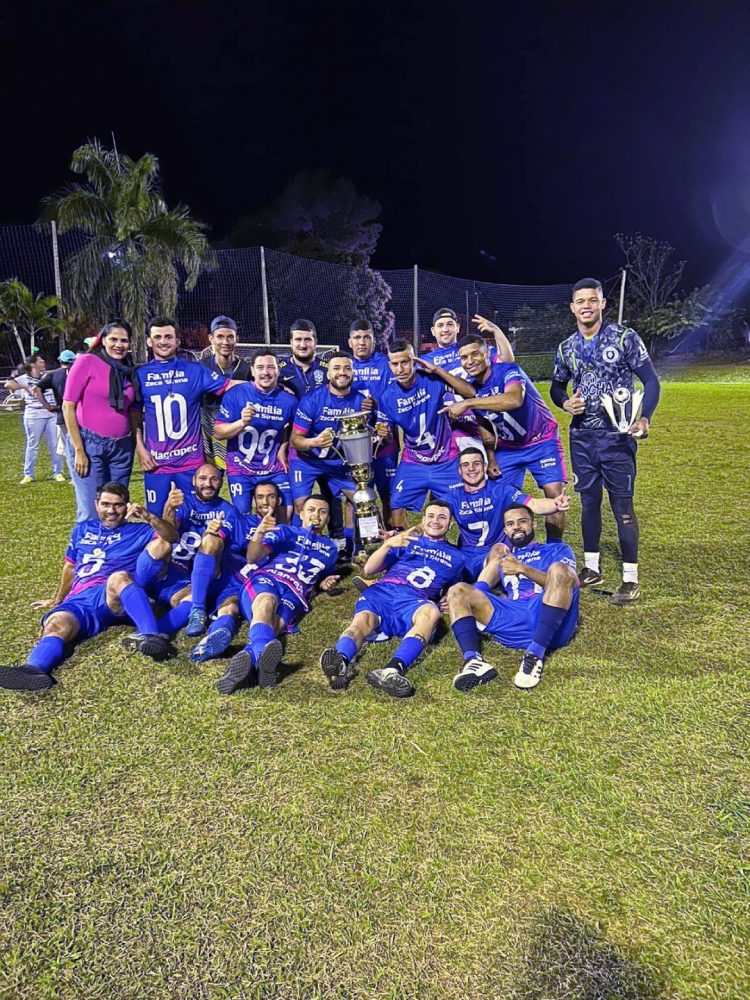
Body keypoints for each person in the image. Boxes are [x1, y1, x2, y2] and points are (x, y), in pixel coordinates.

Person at [0, 482, 178, 692]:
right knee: (57, 625)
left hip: (111, 596)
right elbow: (70, 567)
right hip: (80, 600)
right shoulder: (82, 529)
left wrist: (149, 516)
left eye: (118, 505)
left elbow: (171, 538)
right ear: (96, 505)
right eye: (106, 504)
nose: (111, 510)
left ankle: (152, 637)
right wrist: (57, 599)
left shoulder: (138, 530)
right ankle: (34, 669)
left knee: (119, 577)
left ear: (127, 506)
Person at [550, 278, 661, 603]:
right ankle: (592, 568)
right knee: (588, 503)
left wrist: (644, 418)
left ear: (602, 304)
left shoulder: (624, 338)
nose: (586, 306)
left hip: (616, 438)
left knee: (622, 507)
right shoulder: (566, 347)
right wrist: (565, 403)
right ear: (572, 308)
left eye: (592, 300)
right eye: (580, 301)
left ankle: (630, 579)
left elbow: (651, 381)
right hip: (582, 437)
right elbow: (557, 386)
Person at [320, 501, 467, 697]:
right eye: (431, 516)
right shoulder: (406, 540)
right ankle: (340, 662)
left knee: (431, 612)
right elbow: (369, 569)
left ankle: (391, 671)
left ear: (450, 524)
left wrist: (446, 598)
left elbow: (454, 587)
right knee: (362, 621)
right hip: (383, 592)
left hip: (414, 601)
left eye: (442, 517)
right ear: (423, 519)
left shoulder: (458, 558)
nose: (435, 521)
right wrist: (388, 544)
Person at [443, 334, 569, 540]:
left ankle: (554, 547)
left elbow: (514, 399)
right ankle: (509, 546)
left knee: (555, 497)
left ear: (487, 353)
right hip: (509, 447)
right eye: (464, 357)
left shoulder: (509, 370)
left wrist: (468, 403)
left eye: (475, 354)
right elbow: (484, 424)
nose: (470, 361)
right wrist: (491, 457)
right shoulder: (471, 388)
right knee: (497, 496)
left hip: (542, 440)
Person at [446, 503, 579, 692]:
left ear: (533, 524)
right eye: (510, 524)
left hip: (546, 614)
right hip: (512, 616)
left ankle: (534, 655)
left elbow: (568, 582)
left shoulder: (557, 550)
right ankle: (473, 661)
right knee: (457, 590)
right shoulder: (503, 559)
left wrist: (523, 569)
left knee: (560, 570)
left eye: (522, 521)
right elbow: (481, 588)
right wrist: (464, 605)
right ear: (505, 531)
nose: (516, 527)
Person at [215, 495, 340, 694]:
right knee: (266, 603)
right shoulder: (285, 531)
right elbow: (253, 557)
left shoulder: (331, 549)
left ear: (328, 518)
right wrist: (259, 534)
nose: (316, 515)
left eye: (322, 511)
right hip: (268, 580)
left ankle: (251, 659)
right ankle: (262, 661)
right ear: (301, 514)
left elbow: (319, 579)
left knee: (277, 625)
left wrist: (324, 584)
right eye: (311, 510)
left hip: (296, 593)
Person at [134, 317, 233, 515]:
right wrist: (141, 450)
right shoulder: (140, 374)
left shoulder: (194, 370)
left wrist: (269, 386)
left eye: (168, 337)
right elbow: (133, 415)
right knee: (159, 519)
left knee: (194, 518)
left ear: (177, 341)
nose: (163, 341)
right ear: (149, 341)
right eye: (158, 337)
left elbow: (229, 386)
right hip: (157, 464)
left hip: (191, 463)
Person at [375, 340, 476, 526]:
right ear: (389, 365)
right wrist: (384, 433)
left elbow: (470, 392)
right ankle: (405, 544)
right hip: (414, 461)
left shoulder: (433, 380)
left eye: (405, 362)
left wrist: (437, 370)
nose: (400, 369)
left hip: (445, 458)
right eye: (395, 364)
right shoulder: (387, 397)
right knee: (396, 504)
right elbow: (387, 438)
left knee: (462, 508)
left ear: (414, 360)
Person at [134, 463, 239, 638]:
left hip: (191, 581)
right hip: (166, 569)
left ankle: (151, 633)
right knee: (159, 545)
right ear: (193, 481)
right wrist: (169, 508)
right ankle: (134, 591)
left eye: (214, 479)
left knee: (193, 598)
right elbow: (169, 535)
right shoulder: (184, 503)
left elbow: (216, 546)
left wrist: (211, 533)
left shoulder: (229, 511)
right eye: (203, 478)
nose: (208, 484)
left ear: (221, 483)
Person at [187, 481, 283, 663]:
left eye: (271, 497)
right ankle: (198, 611)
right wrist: (211, 532)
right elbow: (218, 538)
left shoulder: (285, 532)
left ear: (278, 501)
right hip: (224, 576)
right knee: (210, 541)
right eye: (260, 497)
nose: (265, 502)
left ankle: (211, 640)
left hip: (248, 586)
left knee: (230, 609)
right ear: (253, 502)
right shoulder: (240, 520)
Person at [289, 353, 373, 558]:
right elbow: (295, 440)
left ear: (353, 373)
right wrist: (314, 442)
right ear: (328, 373)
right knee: (301, 505)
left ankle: (352, 548)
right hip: (307, 461)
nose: (342, 372)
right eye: (336, 368)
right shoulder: (312, 400)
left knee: (361, 500)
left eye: (347, 368)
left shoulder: (361, 402)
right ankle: (303, 548)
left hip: (339, 463)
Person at [447, 446, 569, 578]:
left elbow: (534, 504)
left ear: (484, 466)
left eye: (476, 464)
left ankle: (482, 587)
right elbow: (435, 517)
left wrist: (555, 503)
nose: (471, 469)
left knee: (498, 553)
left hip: (496, 555)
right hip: (465, 557)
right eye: (466, 465)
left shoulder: (502, 491)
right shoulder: (452, 497)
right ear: (459, 470)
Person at [63, 320, 141, 522]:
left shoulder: (129, 370)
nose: (118, 345)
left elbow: (133, 412)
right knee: (92, 511)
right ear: (103, 340)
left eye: (124, 340)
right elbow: (68, 406)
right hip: (90, 444)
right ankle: (87, 544)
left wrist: (138, 445)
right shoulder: (87, 362)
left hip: (122, 448)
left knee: (117, 509)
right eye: (113, 339)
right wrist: (79, 450)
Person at [214, 349, 297, 521]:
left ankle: (279, 538)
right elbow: (218, 432)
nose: (265, 372)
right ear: (252, 370)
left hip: (273, 468)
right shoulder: (236, 394)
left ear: (278, 370)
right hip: (240, 468)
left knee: (287, 511)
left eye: (270, 367)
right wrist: (241, 423)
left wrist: (283, 446)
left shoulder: (289, 400)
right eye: (260, 367)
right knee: (242, 515)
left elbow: (295, 428)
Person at [348, 318, 398, 525]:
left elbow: (397, 398)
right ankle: (357, 539)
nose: (362, 342)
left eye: (367, 337)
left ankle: (392, 536)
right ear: (350, 342)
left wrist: (377, 404)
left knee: (389, 495)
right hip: (354, 442)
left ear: (374, 341)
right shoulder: (344, 366)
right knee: (356, 495)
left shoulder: (386, 364)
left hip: (385, 440)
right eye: (357, 338)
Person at [198, 315, 252, 467]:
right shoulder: (201, 367)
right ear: (211, 339)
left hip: (239, 433)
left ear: (237, 339)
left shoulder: (247, 369)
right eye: (220, 337)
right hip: (208, 435)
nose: (225, 342)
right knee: (211, 478)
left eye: (230, 337)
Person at [4, 355, 65, 484]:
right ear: (33, 364)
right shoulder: (24, 378)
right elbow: (8, 384)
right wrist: (25, 387)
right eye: (40, 361)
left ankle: (58, 472)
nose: (43, 363)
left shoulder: (47, 376)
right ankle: (28, 474)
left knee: (54, 445)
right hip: (33, 415)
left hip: (51, 414)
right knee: (33, 445)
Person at [33, 349, 78, 480]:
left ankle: (74, 476)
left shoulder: (53, 375)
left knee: (69, 448)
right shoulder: (78, 373)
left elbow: (36, 389)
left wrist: (47, 406)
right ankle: (80, 475)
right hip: (80, 415)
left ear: (60, 361)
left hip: (63, 415)